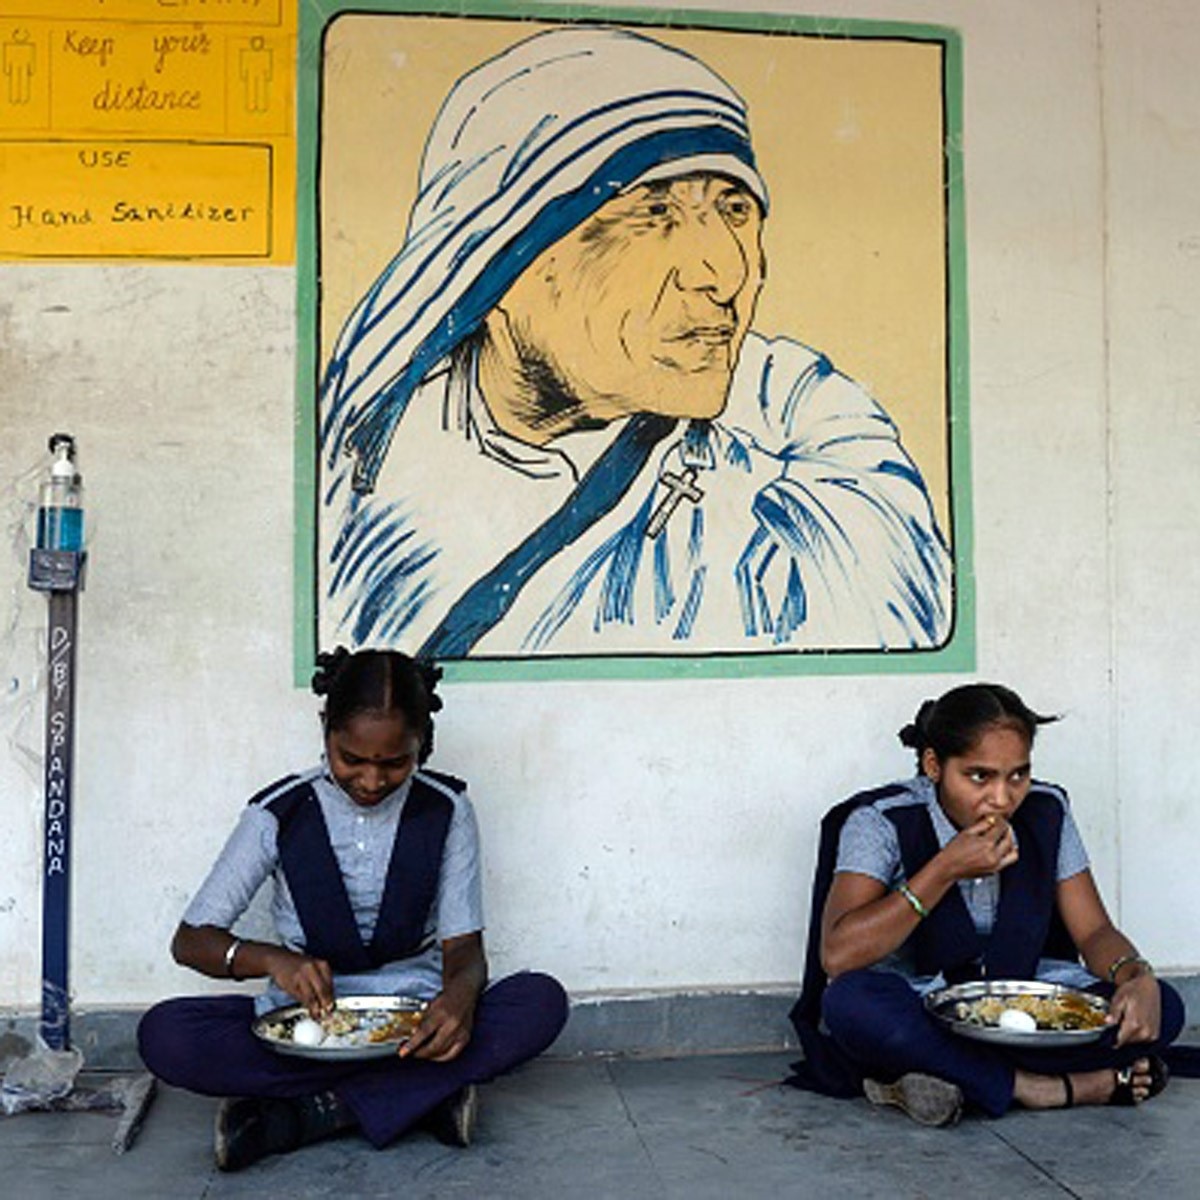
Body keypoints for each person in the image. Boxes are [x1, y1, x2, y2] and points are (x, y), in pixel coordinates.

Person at [318, 25, 951, 658]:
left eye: (735, 210)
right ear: (500, 265)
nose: (724, 272)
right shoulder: (368, 469)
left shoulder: (798, 457)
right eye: (654, 213)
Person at [137, 648, 568, 1170]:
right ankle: (417, 1099)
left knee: (540, 1003)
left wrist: (457, 1000)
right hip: (304, 1030)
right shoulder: (278, 812)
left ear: (421, 744)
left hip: (414, 1029)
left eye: (394, 762)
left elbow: (464, 952)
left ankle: (306, 1115)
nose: (370, 780)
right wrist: (273, 961)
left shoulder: (446, 810)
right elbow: (191, 940)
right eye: (352, 759)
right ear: (326, 731)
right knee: (166, 1036)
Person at [787, 682, 1185, 1125]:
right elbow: (838, 956)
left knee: (1164, 1007)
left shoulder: (1046, 810)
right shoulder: (881, 821)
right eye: (980, 776)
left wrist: (1138, 976)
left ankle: (952, 1074)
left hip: (1025, 1002)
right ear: (934, 764)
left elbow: (1093, 932)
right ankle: (1043, 1087)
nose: (1002, 797)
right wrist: (943, 870)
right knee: (850, 1005)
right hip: (921, 1002)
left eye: (1018, 774)